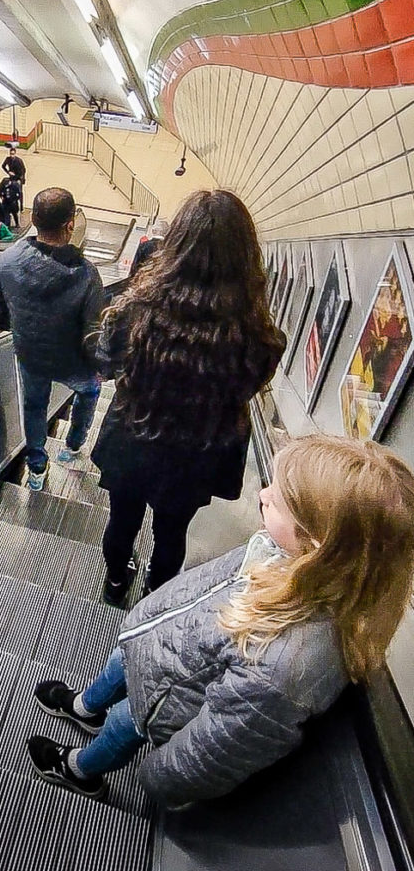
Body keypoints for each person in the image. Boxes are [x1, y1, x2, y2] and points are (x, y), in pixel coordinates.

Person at [26, 434, 414, 806]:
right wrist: (145, 624)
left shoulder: (285, 665)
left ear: (317, 545)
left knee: (120, 725)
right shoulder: (278, 552)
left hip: (161, 700)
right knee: (117, 666)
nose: (261, 495)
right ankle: (85, 707)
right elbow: (200, 589)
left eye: (276, 501)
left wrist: (159, 776)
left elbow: (215, 747)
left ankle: (79, 770)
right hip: (155, 648)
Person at [93, 189, 285, 604]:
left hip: (133, 437)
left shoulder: (135, 311)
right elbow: (245, 390)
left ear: (176, 244)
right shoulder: (258, 337)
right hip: (198, 453)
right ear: (246, 256)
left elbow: (105, 364)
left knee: (121, 520)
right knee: (172, 531)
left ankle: (113, 584)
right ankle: (155, 594)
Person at [0, 187, 104, 490]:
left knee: (34, 407)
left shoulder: (6, 262)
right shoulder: (88, 275)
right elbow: (93, 334)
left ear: (33, 220)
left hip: (32, 354)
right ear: (70, 226)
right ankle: (72, 447)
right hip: (74, 362)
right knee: (90, 391)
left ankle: (36, 469)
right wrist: (104, 365)